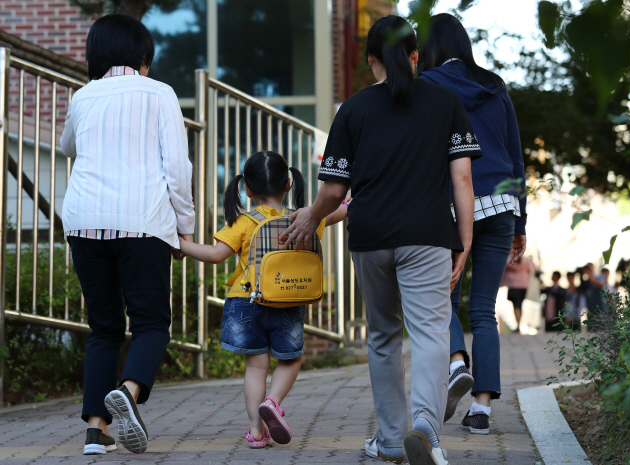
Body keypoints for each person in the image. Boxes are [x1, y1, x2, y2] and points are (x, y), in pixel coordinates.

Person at [279, 15, 478, 465]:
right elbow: (462, 178)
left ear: (372, 59)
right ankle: (427, 427)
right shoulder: (445, 102)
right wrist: (462, 242)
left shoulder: (353, 109)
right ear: (415, 56)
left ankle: (390, 440)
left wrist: (310, 218)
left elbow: (333, 190)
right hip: (427, 236)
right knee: (429, 333)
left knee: (384, 336)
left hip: (369, 236)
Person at [60, 14, 195, 455]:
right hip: (142, 223)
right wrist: (184, 231)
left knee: (103, 328)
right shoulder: (159, 93)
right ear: (142, 56)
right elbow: (177, 170)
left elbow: (68, 147)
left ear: (95, 54)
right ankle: (130, 394)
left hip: (83, 222)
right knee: (152, 321)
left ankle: (96, 433)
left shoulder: (83, 96)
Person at [178, 151, 347, 450]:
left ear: (247, 189)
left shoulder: (243, 222)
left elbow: (216, 255)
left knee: (256, 367)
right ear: (288, 185)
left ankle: (256, 431)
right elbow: (339, 210)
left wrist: (180, 245)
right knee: (290, 359)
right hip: (289, 298)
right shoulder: (305, 219)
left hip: (246, 300)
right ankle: (274, 400)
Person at [418, 12, 527, 434]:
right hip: (502, 204)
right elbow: (515, 156)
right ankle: (481, 410)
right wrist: (522, 222)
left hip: (454, 204)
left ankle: (456, 361)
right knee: (485, 309)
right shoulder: (495, 86)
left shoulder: (426, 87)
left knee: (442, 296)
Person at [501, 257, 532, 331]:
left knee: (516, 305)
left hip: (513, 286)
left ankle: (518, 324)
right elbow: (532, 270)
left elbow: (503, 271)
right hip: (523, 285)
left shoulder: (508, 263)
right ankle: (519, 324)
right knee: (519, 304)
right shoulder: (526, 262)